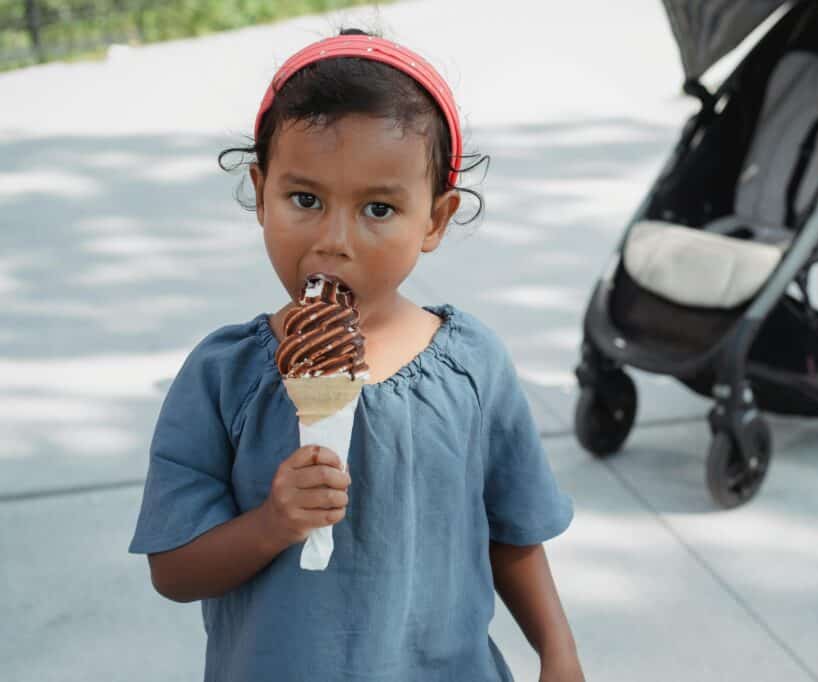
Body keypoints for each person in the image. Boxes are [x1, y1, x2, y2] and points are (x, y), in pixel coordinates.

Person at [128, 28, 584, 682]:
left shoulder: (472, 365)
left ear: (434, 219)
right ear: (260, 193)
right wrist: (273, 522)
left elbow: (512, 532)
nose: (335, 241)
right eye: (304, 199)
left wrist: (557, 650)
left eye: (378, 207)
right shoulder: (222, 377)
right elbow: (173, 571)